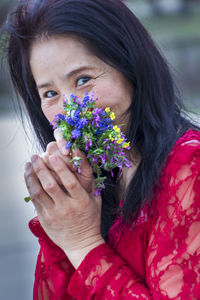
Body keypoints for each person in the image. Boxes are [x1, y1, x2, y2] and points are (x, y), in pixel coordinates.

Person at [3, 0, 200, 298]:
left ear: (130, 67)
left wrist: (82, 243)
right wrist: (63, 217)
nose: (70, 109)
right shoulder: (96, 177)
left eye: (83, 80)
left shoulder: (189, 165)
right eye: (50, 93)